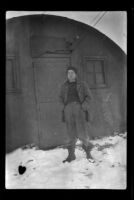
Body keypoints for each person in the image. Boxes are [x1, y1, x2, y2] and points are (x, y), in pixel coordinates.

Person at [59, 66, 94, 163]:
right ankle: (71, 156)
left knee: (82, 132)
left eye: (72, 73)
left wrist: (83, 107)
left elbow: (89, 97)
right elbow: (60, 98)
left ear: (76, 74)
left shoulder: (82, 85)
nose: (70, 75)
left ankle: (88, 154)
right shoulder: (64, 86)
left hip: (79, 109)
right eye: (68, 73)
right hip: (68, 110)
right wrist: (64, 108)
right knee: (70, 133)